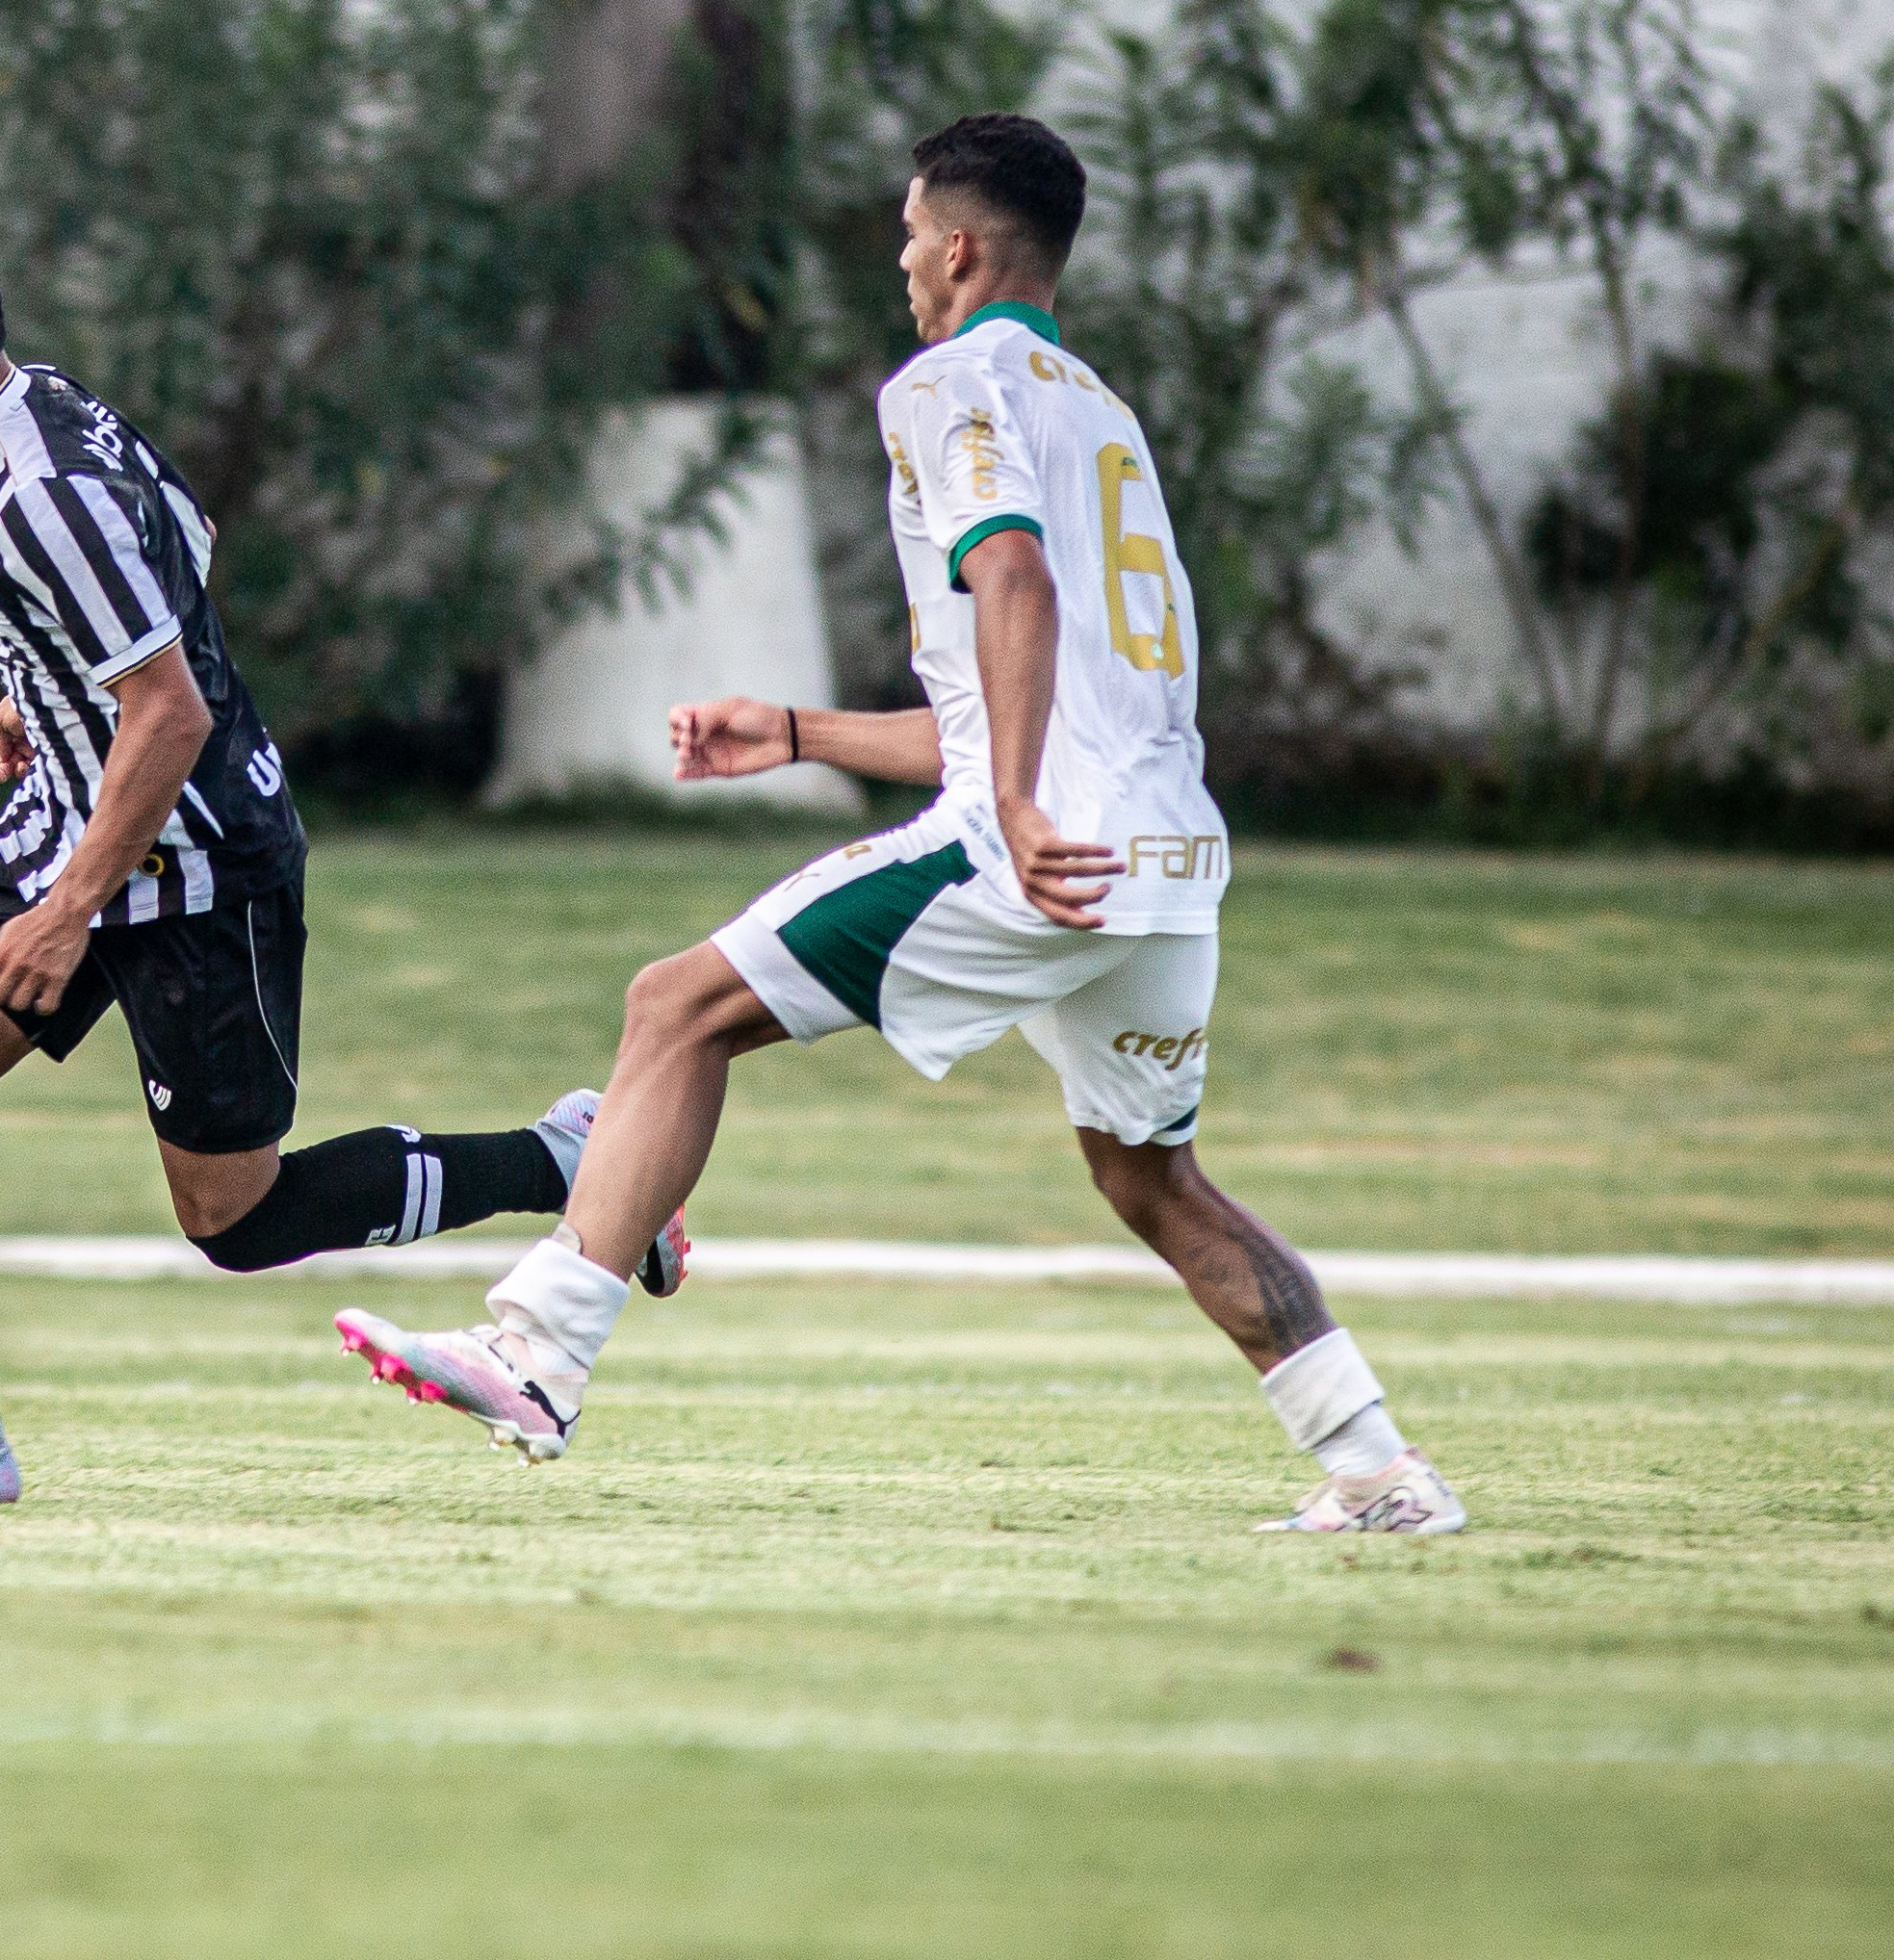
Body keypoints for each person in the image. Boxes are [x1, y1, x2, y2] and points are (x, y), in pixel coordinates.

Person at [335, 116, 1465, 1536]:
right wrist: (801, 733)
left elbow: (1016, 592)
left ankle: (539, 1351)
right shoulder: (1099, 413)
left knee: (675, 1005)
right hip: (1166, 856)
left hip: (1038, 846)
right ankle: (1377, 1471)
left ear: (960, 246)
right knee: (1151, 1176)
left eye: (906, 232)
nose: (899, 260)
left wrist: (1004, 807)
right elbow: (1030, 686)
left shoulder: (947, 383)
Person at [0, 205, 682, 1507]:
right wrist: (46, 686)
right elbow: (184, 548)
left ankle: (575, 1159)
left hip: (194, 860)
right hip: (85, 806)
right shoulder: (27, 410)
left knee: (238, 1219)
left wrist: (65, 910)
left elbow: (171, 709)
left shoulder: (37, 482)